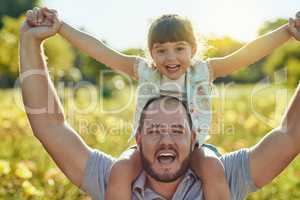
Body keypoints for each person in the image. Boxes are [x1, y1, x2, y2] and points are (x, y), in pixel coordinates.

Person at [21, 7, 300, 200]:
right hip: (138, 154)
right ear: (151, 53)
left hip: (199, 149)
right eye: (161, 50)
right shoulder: (145, 72)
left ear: (193, 48)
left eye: (179, 48)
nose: (170, 58)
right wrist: (60, 29)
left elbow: (248, 53)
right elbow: (100, 51)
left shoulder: (203, 72)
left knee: (214, 169)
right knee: (120, 170)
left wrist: (287, 31)